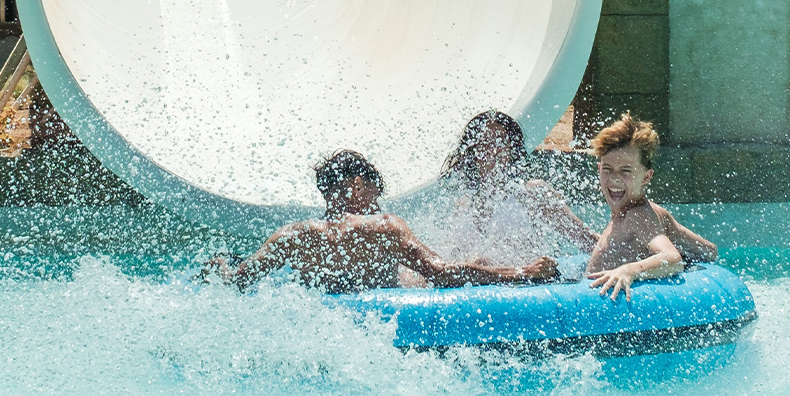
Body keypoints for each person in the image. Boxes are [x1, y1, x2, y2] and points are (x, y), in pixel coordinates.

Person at [211, 149, 559, 294]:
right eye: (375, 194)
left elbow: (240, 281)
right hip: (394, 316)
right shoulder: (383, 227)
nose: (377, 203)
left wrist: (220, 270)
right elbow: (441, 273)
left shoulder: (291, 236)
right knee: (479, 263)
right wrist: (522, 273)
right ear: (358, 185)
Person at [437, 110, 598, 265]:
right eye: (484, 143)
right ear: (473, 153)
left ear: (511, 150)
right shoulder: (464, 205)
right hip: (481, 287)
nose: (492, 150)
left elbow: (586, 240)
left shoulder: (532, 193)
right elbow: (453, 261)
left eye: (500, 142)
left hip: (526, 286)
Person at [585, 113, 718, 300]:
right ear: (599, 169)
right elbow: (709, 251)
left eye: (625, 171)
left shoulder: (638, 215)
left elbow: (672, 258)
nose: (614, 178)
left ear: (646, 177)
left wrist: (628, 270)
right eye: (607, 169)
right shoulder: (642, 212)